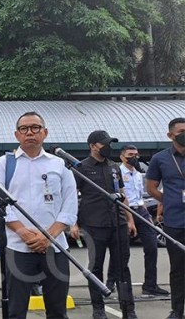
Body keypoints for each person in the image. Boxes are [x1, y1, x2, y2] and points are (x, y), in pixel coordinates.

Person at [0, 112, 78, 319]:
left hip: (55, 247)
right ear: (16, 134)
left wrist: (49, 236)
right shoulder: (4, 163)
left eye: (35, 128)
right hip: (19, 247)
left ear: (45, 133)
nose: (30, 132)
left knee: (57, 310)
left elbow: (70, 204)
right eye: (24, 129)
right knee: (16, 310)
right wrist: (23, 232)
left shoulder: (59, 164)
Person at [70, 130, 138, 319]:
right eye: (104, 144)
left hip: (118, 223)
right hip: (94, 225)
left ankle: (128, 309)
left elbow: (123, 195)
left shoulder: (114, 166)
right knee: (96, 268)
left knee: (122, 268)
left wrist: (130, 219)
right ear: (93, 146)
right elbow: (71, 197)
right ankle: (98, 309)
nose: (108, 148)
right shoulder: (80, 168)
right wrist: (73, 223)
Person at [105, 145, 169, 297]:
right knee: (121, 250)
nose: (134, 157)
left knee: (152, 248)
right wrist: (128, 218)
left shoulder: (139, 174)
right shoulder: (117, 173)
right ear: (122, 157)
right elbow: (120, 195)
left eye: (136, 154)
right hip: (125, 211)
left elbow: (140, 196)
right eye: (130, 154)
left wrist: (146, 213)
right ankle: (110, 282)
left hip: (141, 210)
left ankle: (150, 285)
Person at [146, 117, 185, 319]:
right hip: (175, 222)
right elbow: (151, 188)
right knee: (177, 269)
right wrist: (169, 200)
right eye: (180, 132)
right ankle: (177, 310)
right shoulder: (160, 158)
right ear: (170, 135)